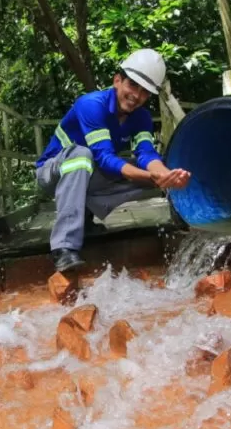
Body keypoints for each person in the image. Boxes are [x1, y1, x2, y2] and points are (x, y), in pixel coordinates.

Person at [35, 49, 191, 272]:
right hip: (52, 173)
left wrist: (167, 176)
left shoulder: (141, 117)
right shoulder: (90, 105)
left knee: (160, 170)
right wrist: (150, 176)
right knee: (82, 155)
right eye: (132, 85)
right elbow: (105, 158)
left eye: (145, 92)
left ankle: (85, 221)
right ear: (117, 80)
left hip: (89, 174)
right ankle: (63, 248)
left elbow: (146, 154)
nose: (137, 96)